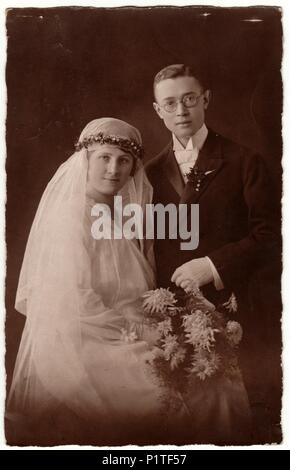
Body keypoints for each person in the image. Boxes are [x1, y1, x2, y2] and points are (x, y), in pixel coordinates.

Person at [6, 118, 184, 446]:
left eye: (124, 160)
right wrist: (139, 336)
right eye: (104, 157)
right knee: (171, 397)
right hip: (78, 343)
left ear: (133, 168)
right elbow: (75, 301)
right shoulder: (72, 216)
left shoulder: (115, 216)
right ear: (85, 160)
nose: (114, 169)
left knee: (206, 380)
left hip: (116, 333)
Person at [146, 64, 279, 442]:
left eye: (189, 99)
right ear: (158, 111)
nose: (181, 111)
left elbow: (271, 236)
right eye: (169, 104)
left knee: (246, 419)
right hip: (177, 319)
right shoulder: (151, 172)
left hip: (244, 310)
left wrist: (212, 265)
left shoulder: (244, 161)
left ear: (205, 100)